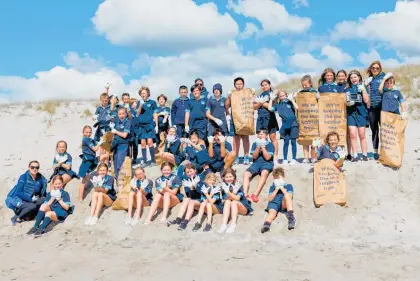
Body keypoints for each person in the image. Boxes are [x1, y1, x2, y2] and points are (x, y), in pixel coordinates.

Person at [6, 161, 47, 225]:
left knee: (44, 200)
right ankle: (17, 218)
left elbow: (43, 192)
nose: (34, 169)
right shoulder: (23, 177)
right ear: (29, 167)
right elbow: (18, 192)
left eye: (37, 167)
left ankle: (28, 215)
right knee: (32, 206)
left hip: (33, 199)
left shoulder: (40, 179)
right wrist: (31, 200)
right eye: (32, 167)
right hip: (22, 200)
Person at [167, 163, 203, 230]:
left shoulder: (200, 177)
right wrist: (191, 189)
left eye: (191, 171)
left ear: (195, 170)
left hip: (201, 200)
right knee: (186, 199)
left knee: (191, 201)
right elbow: (189, 195)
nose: (189, 173)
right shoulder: (186, 180)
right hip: (193, 200)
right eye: (187, 172)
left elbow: (202, 193)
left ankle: (185, 222)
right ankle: (178, 219)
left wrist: (196, 186)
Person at [225, 77, 252, 165]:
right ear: (234, 85)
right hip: (235, 118)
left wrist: (253, 94)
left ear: (243, 85)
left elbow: (252, 103)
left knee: (245, 138)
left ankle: (246, 156)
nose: (239, 86)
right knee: (236, 139)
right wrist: (229, 97)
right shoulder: (233, 93)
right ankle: (235, 156)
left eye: (240, 84)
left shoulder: (247, 93)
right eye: (237, 84)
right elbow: (227, 106)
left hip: (245, 117)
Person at [242, 129, 275, 203]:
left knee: (264, 174)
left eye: (261, 134)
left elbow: (267, 158)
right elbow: (254, 157)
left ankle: (255, 194)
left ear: (266, 136)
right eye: (258, 134)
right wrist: (258, 146)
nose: (259, 136)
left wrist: (263, 147)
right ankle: (245, 194)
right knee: (246, 174)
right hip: (256, 163)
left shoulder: (270, 145)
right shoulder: (255, 143)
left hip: (267, 163)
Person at [345, 70, 370, 162]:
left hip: (361, 113)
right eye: (351, 78)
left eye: (355, 77)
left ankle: (364, 154)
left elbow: (367, 101)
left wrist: (363, 89)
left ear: (359, 77)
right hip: (351, 113)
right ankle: (355, 155)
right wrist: (348, 103)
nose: (353, 79)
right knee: (352, 134)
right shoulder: (347, 89)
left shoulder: (364, 87)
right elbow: (345, 102)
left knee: (362, 134)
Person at [217, 168, 253, 234]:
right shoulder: (224, 186)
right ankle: (224, 224)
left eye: (230, 176)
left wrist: (229, 192)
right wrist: (229, 192)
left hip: (243, 207)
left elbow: (237, 198)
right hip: (231, 207)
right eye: (226, 177)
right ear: (224, 178)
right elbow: (226, 199)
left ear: (234, 177)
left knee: (234, 202)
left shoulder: (238, 185)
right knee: (228, 201)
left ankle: (233, 224)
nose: (229, 178)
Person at [78, 125, 109, 201]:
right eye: (86, 132)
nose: (88, 134)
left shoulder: (90, 139)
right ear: (83, 132)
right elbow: (95, 149)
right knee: (84, 181)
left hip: (92, 160)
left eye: (90, 132)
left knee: (105, 155)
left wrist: (103, 137)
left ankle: (105, 170)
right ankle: (80, 198)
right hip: (87, 162)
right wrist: (99, 143)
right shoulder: (85, 140)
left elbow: (98, 142)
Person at [261, 167, 296, 233]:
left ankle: (291, 218)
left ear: (283, 177)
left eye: (279, 178)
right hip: (274, 202)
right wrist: (276, 189)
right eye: (276, 179)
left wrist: (282, 187)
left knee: (287, 196)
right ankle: (266, 224)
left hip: (283, 203)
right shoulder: (272, 187)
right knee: (272, 212)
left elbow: (289, 197)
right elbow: (270, 199)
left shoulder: (288, 186)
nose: (278, 180)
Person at [268, 89, 299, 165]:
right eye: (280, 96)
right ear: (278, 97)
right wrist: (271, 100)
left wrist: (292, 100)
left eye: (283, 95)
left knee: (293, 142)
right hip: (285, 125)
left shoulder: (290, 102)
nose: (282, 97)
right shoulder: (277, 105)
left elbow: (297, 108)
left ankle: (293, 159)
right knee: (286, 142)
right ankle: (285, 159)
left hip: (293, 124)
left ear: (286, 95)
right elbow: (269, 108)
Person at [365, 61, 385, 160]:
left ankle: (386, 151)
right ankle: (375, 151)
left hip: (382, 108)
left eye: (377, 68)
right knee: (374, 130)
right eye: (373, 68)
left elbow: (392, 86)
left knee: (385, 130)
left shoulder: (384, 77)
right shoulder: (368, 79)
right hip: (372, 108)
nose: (375, 69)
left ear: (380, 69)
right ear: (370, 69)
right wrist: (365, 84)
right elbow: (363, 92)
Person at [255, 79, 279, 162]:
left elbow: (272, 107)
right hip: (260, 118)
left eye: (266, 85)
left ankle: (275, 156)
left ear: (269, 85)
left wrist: (261, 103)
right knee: (260, 137)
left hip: (270, 117)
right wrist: (260, 102)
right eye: (262, 85)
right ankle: (263, 155)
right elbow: (254, 107)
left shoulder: (273, 94)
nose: (264, 86)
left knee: (273, 137)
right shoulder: (260, 95)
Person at [135, 86, 157, 167]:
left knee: (150, 142)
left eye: (144, 93)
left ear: (148, 94)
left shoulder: (153, 102)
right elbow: (137, 114)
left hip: (149, 125)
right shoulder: (138, 102)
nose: (143, 94)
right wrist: (140, 105)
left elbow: (155, 113)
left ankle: (153, 161)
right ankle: (144, 161)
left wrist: (156, 125)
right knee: (143, 143)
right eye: (141, 93)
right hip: (141, 126)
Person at [298, 75, 318, 164]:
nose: (304, 87)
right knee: (305, 140)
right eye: (303, 85)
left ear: (310, 83)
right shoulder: (300, 93)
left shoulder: (314, 92)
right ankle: (306, 158)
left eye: (306, 85)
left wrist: (318, 97)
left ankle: (314, 157)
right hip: (304, 119)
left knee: (314, 140)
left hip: (314, 119)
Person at [110, 107, 131, 179]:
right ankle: (117, 179)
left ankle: (121, 179)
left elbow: (125, 135)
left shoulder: (128, 122)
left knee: (120, 162)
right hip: (116, 144)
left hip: (123, 144)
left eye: (123, 114)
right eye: (119, 114)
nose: (121, 115)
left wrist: (116, 131)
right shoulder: (117, 122)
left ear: (126, 114)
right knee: (115, 163)